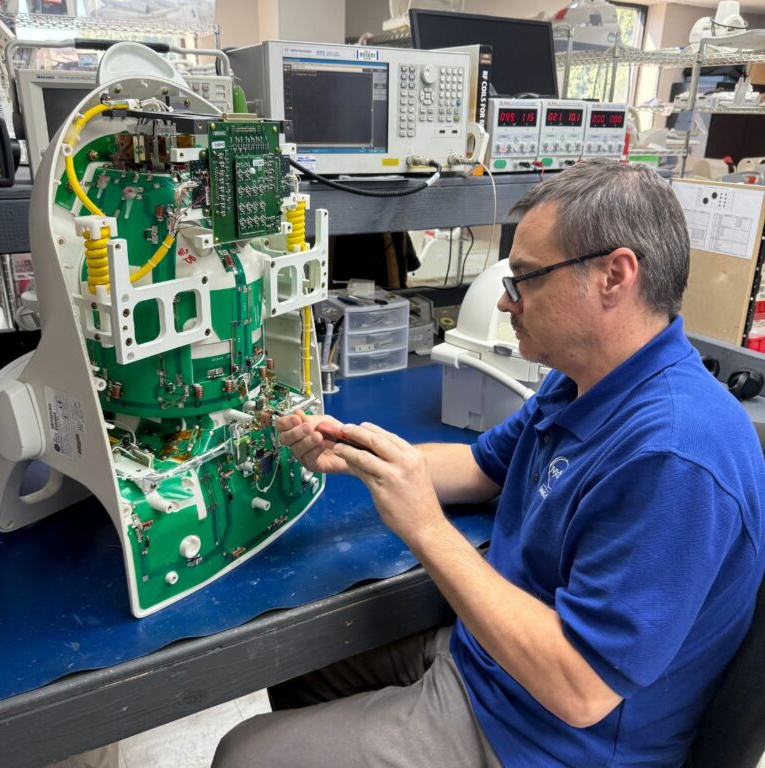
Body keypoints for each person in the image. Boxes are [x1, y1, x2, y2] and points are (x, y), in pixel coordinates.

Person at [212, 159, 765, 768]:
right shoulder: (584, 380)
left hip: (548, 737)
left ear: (615, 276)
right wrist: (352, 451)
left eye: (524, 279)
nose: (506, 303)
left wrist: (423, 526)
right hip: (491, 658)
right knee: (303, 670)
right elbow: (480, 466)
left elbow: (580, 690)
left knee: (246, 755)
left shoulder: (674, 456)